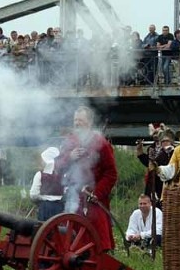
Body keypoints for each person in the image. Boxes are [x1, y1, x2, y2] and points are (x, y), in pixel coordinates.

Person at [55, 106, 118, 252]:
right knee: (70, 238)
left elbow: (111, 173)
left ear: (89, 122)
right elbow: (58, 166)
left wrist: (97, 193)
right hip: (73, 198)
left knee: (98, 239)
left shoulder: (101, 143)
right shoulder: (69, 142)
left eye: (80, 120)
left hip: (93, 199)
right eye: (75, 120)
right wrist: (70, 157)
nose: (77, 124)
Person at [136, 128, 175, 206]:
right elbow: (149, 164)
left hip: (168, 186)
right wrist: (139, 151)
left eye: (167, 141)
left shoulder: (175, 151)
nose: (164, 143)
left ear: (171, 141)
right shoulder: (154, 150)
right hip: (154, 185)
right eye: (163, 141)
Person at [29, 147, 64, 221]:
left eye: (43, 160)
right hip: (60, 208)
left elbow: (34, 195)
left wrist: (40, 198)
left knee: (44, 229)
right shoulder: (63, 175)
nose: (41, 162)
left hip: (45, 208)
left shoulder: (39, 174)